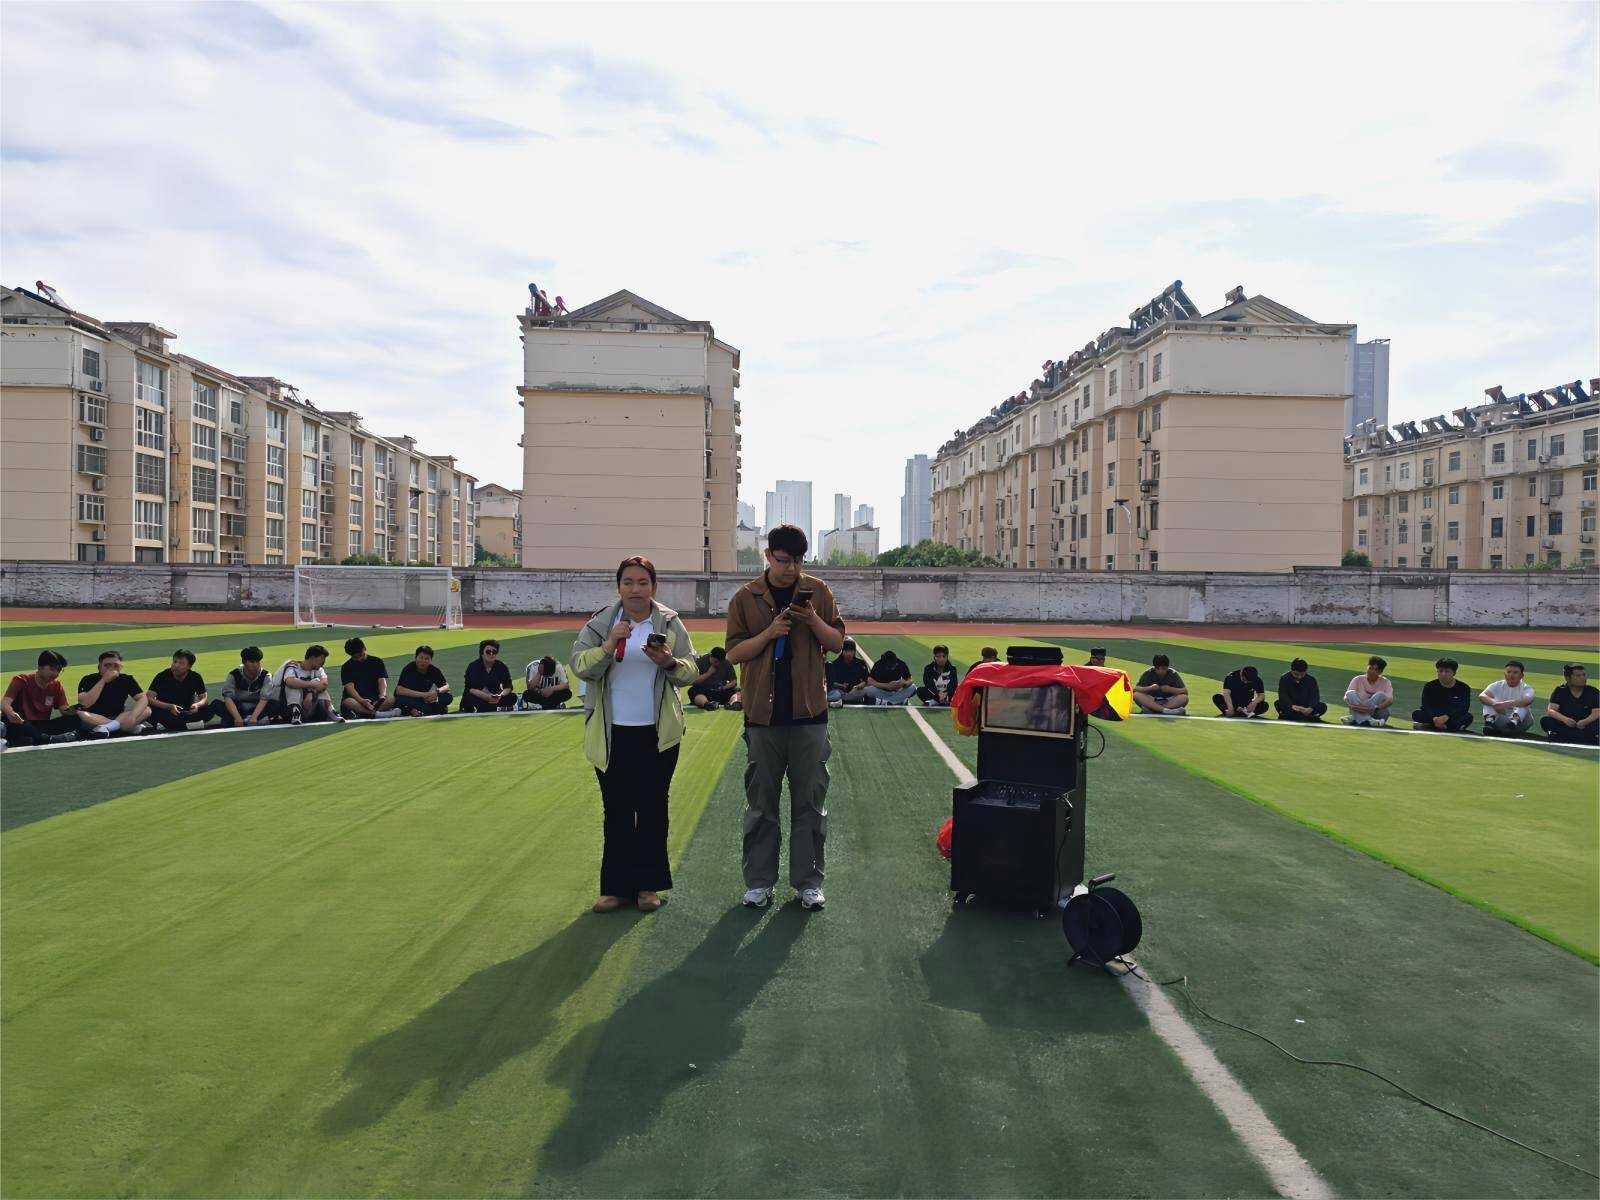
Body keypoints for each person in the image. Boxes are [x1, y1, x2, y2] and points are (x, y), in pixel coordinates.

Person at [726, 524, 846, 912]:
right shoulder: (746, 598)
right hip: (763, 716)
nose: (791, 568)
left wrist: (812, 619)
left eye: (797, 560)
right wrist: (769, 633)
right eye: (783, 560)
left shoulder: (819, 592)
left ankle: (808, 883)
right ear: (768, 556)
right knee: (761, 804)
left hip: (809, 714)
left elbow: (837, 642)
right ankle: (759, 882)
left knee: (810, 803)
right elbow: (734, 653)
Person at [570, 555, 699, 914]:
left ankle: (647, 887)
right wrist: (608, 645)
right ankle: (615, 888)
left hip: (657, 735)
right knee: (617, 810)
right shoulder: (601, 623)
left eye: (643, 582)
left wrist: (669, 662)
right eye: (628, 582)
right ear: (618, 586)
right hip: (612, 734)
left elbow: (691, 670)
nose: (635, 589)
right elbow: (579, 665)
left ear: (654, 586)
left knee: (653, 808)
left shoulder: (669, 622)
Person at [2, 650, 78, 747]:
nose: (56, 673)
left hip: (41, 725)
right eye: (52, 669)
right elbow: (4, 703)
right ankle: (48, 739)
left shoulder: (57, 686)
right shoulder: (21, 680)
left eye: (59, 670)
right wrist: (11, 713)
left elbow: (64, 710)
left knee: (74, 719)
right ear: (40, 667)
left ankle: (36, 738)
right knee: (17, 724)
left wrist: (79, 708)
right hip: (20, 722)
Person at [75, 650, 151, 738]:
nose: (112, 668)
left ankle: (108, 728)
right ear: (99, 667)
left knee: (147, 710)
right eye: (107, 665)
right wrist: (103, 680)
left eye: (116, 665)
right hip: (95, 718)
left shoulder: (126, 679)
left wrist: (133, 715)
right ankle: (123, 727)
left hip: (119, 717)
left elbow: (142, 698)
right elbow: (85, 703)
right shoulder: (88, 679)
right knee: (80, 714)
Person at [207, 646, 284, 727]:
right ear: (244, 662)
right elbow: (228, 698)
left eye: (258, 661)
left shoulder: (266, 676)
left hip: (256, 708)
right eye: (252, 662)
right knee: (216, 704)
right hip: (238, 708)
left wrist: (254, 718)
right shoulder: (234, 675)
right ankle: (241, 718)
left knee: (276, 704)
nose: (255, 665)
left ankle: (244, 719)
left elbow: (264, 699)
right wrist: (237, 718)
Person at [145, 649, 211, 732]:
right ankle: (189, 725)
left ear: (189, 666)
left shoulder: (195, 677)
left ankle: (168, 725)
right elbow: (149, 698)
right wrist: (169, 706)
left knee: (212, 707)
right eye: (175, 662)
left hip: (186, 710)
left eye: (181, 663)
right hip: (165, 710)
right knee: (147, 709)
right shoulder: (162, 676)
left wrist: (197, 705)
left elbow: (204, 698)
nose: (176, 665)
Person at [275, 645, 341, 725]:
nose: (323, 661)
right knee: (293, 687)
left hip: (309, 707)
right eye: (322, 658)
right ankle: (296, 713)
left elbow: (324, 683)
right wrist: (312, 684)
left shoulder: (318, 669)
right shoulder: (293, 666)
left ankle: (331, 711)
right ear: (312, 657)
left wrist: (311, 692)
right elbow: (290, 681)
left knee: (322, 690)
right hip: (287, 708)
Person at [1541, 664, 1599, 744]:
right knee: (1546, 721)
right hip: (1566, 724)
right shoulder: (1560, 691)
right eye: (1578, 676)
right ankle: (1584, 737)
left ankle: (1563, 736)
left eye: (1584, 675)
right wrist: (1565, 720)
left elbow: (1597, 712)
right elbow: (1551, 710)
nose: (1583, 678)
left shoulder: (1593, 691)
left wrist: (1585, 721)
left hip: (1585, 725)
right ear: (1568, 678)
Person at [1412, 658, 1474, 733]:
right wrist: (1434, 718)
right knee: (1416, 714)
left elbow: (1463, 707)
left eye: (1447, 671)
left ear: (1454, 673)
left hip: (1451, 716)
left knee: (1468, 717)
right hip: (1435, 715)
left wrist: (1447, 716)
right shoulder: (1430, 686)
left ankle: (1432, 726)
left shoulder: (1464, 687)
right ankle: (1447, 727)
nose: (1443, 674)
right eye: (1440, 671)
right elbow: (1426, 705)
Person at [339, 637, 395, 719]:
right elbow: (350, 688)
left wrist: (382, 696)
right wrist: (362, 701)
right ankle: (376, 714)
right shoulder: (346, 667)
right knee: (348, 702)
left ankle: (369, 713)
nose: (359, 659)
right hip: (357, 700)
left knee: (392, 700)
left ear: (364, 649)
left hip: (375, 700)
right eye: (355, 657)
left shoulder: (377, 661)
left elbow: (381, 681)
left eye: (360, 655)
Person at [1479, 660, 1536, 738]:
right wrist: (1495, 703)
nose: (1511, 675)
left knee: (1523, 704)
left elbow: (1527, 700)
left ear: (1521, 675)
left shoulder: (1526, 688)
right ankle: (1489, 723)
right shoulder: (1497, 685)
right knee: (1488, 702)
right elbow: (1482, 695)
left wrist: (1503, 704)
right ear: (1504, 673)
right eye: (1509, 672)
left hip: (1521, 722)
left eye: (1515, 672)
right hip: (1503, 717)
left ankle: (1513, 723)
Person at [461, 639, 517, 713]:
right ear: (482, 653)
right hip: (478, 695)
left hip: (496, 696)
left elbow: (508, 686)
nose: (491, 654)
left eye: (494, 652)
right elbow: (471, 689)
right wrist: (487, 697)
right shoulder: (473, 666)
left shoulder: (501, 666)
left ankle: (492, 706)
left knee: (512, 697)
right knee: (471, 698)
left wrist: (500, 695)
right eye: (488, 652)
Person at [394, 646, 452, 716]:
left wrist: (436, 692)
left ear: (430, 660)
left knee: (448, 697)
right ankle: (431, 710)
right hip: (411, 698)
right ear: (416, 658)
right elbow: (399, 690)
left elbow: (446, 686)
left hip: (425, 700)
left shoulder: (433, 670)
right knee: (400, 700)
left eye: (426, 659)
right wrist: (424, 695)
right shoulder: (409, 669)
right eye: (421, 658)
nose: (423, 661)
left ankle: (426, 710)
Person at [1343, 656, 1395, 726]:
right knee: (1350, 693)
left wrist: (1375, 707)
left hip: (1375, 711)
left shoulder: (1386, 682)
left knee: (1380, 695)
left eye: (1375, 670)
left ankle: (1356, 718)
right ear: (1367, 667)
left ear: (1380, 672)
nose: (1371, 671)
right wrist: (1349, 705)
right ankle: (1370, 721)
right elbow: (1346, 696)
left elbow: (1390, 700)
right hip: (1357, 708)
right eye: (1370, 668)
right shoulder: (1357, 679)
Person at [687, 646, 740, 711]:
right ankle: (707, 704)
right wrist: (708, 674)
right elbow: (692, 681)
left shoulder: (726, 663)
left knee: (737, 691)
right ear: (711, 656)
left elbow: (734, 681)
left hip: (720, 690)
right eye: (716, 661)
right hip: (704, 690)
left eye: (720, 662)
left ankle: (734, 703)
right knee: (693, 691)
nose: (718, 664)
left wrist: (724, 687)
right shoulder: (700, 661)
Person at [826, 639, 870, 707]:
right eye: (846, 651)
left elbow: (866, 679)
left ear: (854, 652)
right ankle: (850, 699)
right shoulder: (834, 664)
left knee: (865, 690)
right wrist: (841, 686)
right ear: (842, 651)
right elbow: (830, 682)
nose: (849, 654)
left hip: (855, 690)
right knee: (836, 694)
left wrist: (859, 685)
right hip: (840, 691)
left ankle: (842, 700)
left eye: (851, 651)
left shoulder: (861, 663)